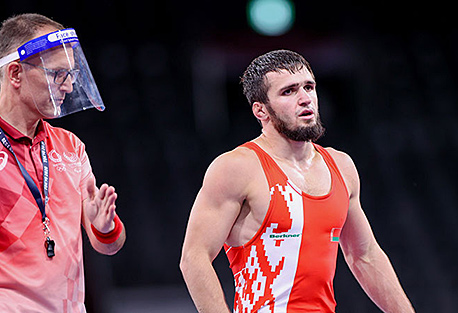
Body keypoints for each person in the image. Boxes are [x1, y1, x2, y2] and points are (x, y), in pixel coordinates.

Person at [180, 49, 414, 312]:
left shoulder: (341, 166)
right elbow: (194, 258)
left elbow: (365, 255)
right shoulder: (237, 167)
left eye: (309, 87)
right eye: (289, 91)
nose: (305, 99)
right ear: (261, 111)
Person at [0, 13, 126, 312]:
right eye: (56, 74)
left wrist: (102, 225)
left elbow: (108, 245)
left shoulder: (71, 146)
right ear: (15, 74)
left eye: (71, 74)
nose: (68, 87)